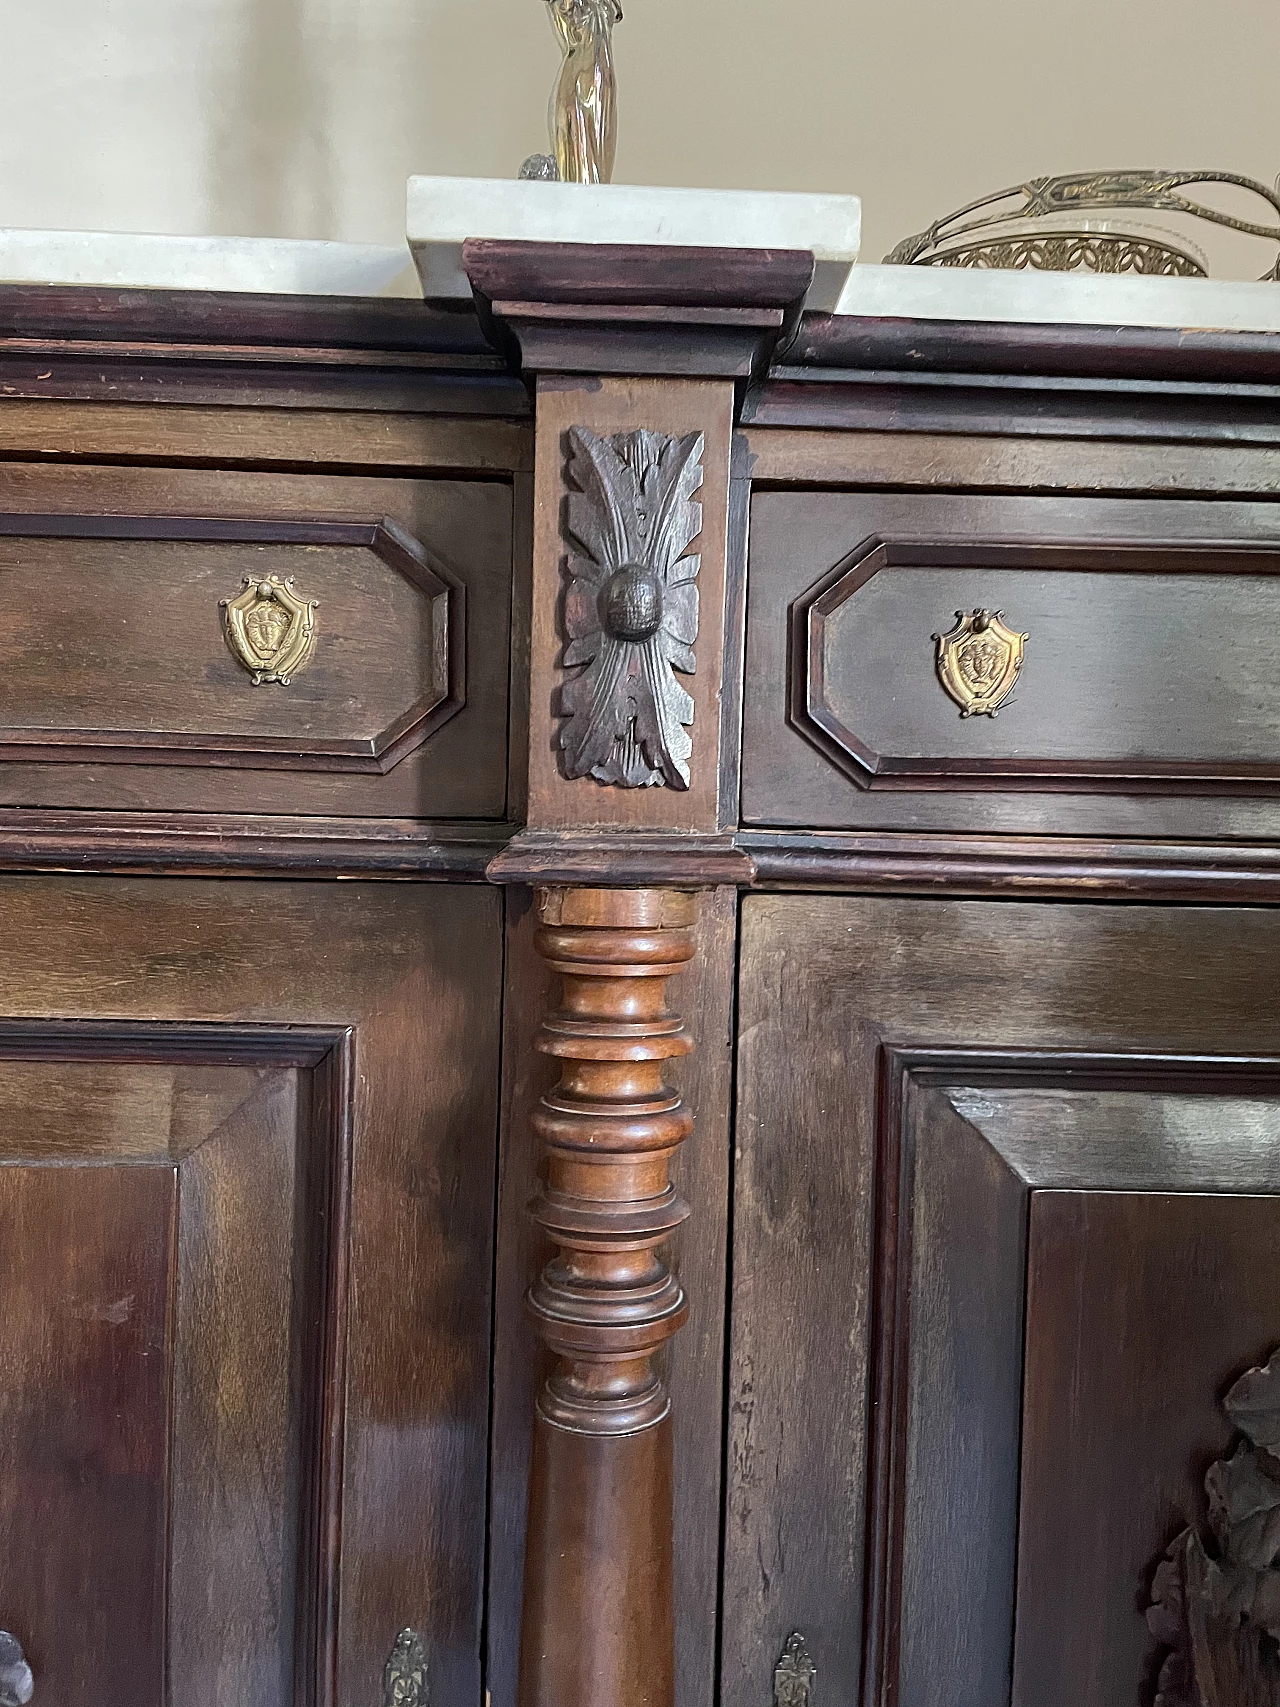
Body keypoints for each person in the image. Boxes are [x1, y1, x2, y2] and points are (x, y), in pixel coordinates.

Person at [545, 0, 623, 184]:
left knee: (597, 140)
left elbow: (614, 13)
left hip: (598, 73)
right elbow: (567, 13)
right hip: (576, 72)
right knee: (573, 136)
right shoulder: (568, 5)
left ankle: (592, 191)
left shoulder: (603, 7)